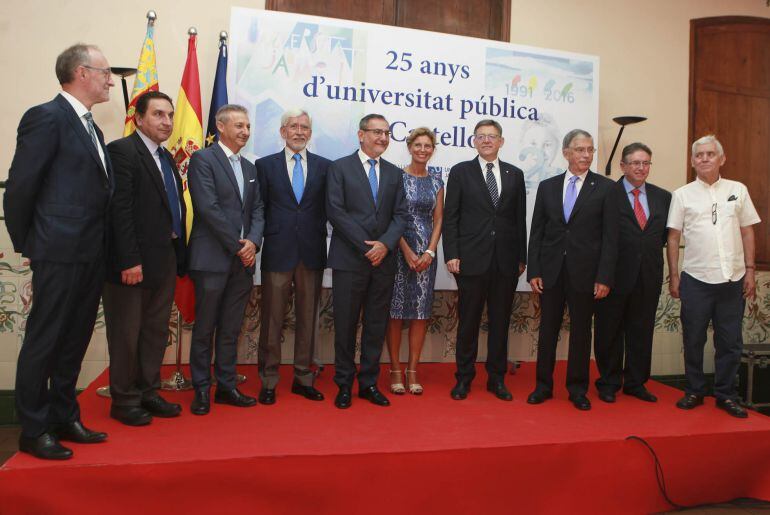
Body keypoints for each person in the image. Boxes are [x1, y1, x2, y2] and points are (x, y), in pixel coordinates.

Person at [4, 44, 114, 459]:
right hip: (58, 251)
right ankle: (33, 429)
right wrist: (31, 245)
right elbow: (20, 188)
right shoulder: (45, 117)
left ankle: (64, 416)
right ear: (81, 73)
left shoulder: (93, 128)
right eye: (105, 72)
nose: (110, 79)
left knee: (74, 340)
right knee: (45, 340)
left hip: (90, 253)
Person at [103, 91, 187, 426]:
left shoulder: (165, 157)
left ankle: (149, 391)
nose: (166, 122)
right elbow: (118, 211)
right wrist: (129, 260)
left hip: (164, 258)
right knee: (127, 332)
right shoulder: (122, 152)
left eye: (169, 115)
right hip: (132, 262)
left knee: (154, 331)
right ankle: (124, 400)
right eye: (158, 115)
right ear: (138, 118)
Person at [666, 135, 760, 419]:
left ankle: (726, 394)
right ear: (693, 160)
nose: (704, 158)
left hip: (733, 278)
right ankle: (694, 390)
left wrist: (751, 270)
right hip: (695, 278)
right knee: (693, 338)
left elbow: (747, 230)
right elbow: (673, 237)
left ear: (722, 158)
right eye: (699, 155)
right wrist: (673, 274)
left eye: (710, 154)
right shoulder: (682, 194)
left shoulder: (738, 189)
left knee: (730, 341)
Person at [526, 129, 618, 411]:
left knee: (581, 333)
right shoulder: (548, 186)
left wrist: (604, 277)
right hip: (551, 271)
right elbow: (537, 231)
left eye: (590, 150)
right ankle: (543, 386)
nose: (586, 155)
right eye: (580, 150)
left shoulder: (605, 188)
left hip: (586, 274)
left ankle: (578, 389)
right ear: (566, 153)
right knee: (548, 331)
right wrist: (534, 270)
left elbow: (610, 237)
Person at [187, 104, 264, 415]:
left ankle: (227, 386)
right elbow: (208, 208)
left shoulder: (250, 167)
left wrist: (253, 244)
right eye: (239, 126)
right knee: (205, 327)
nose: (245, 131)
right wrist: (238, 245)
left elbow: (257, 210)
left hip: (242, 261)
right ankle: (202, 389)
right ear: (221, 126)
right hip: (212, 259)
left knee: (232, 328)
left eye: (247, 126)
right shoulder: (203, 160)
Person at [326, 113, 407, 409]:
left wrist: (385, 245)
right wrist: (367, 247)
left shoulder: (395, 173)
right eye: (377, 132)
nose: (383, 138)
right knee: (346, 326)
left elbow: (401, 215)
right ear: (361, 135)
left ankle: (369, 383)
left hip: (384, 262)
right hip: (350, 260)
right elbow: (336, 211)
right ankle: (344, 384)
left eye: (386, 133)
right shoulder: (340, 168)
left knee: (375, 325)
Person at [443, 119, 527, 401]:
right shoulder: (460, 172)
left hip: (505, 262)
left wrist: (522, 257)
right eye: (482, 136)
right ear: (474, 141)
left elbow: (519, 220)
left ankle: (496, 379)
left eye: (492, 136)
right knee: (468, 322)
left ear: (501, 141)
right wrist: (451, 253)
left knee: (500, 323)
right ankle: (463, 378)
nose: (487, 141)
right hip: (470, 260)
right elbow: (450, 216)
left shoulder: (515, 174)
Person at [255, 109, 330, 405]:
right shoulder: (264, 166)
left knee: (308, 319)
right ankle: (269, 379)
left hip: (311, 253)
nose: (299, 131)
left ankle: (303, 377)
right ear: (283, 131)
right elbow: (258, 208)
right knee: (272, 319)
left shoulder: (326, 167)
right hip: (277, 251)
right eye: (293, 126)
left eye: (305, 127)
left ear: (310, 133)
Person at [593, 143, 671, 403]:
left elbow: (660, 237)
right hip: (612, 277)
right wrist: (602, 276)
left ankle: (636, 383)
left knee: (641, 331)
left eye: (646, 163)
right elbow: (600, 237)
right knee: (609, 331)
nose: (641, 168)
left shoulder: (663, 197)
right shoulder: (607, 193)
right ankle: (609, 382)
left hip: (647, 276)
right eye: (635, 163)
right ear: (623, 166)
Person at [386, 127, 444, 395]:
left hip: (426, 257)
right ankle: (395, 370)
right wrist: (406, 251)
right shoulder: (396, 178)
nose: (422, 149)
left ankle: (412, 370)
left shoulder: (437, 182)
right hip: (399, 250)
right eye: (417, 145)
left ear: (433, 150)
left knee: (420, 314)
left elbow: (438, 219)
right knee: (395, 313)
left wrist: (430, 252)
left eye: (427, 146)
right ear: (409, 147)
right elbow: (390, 217)